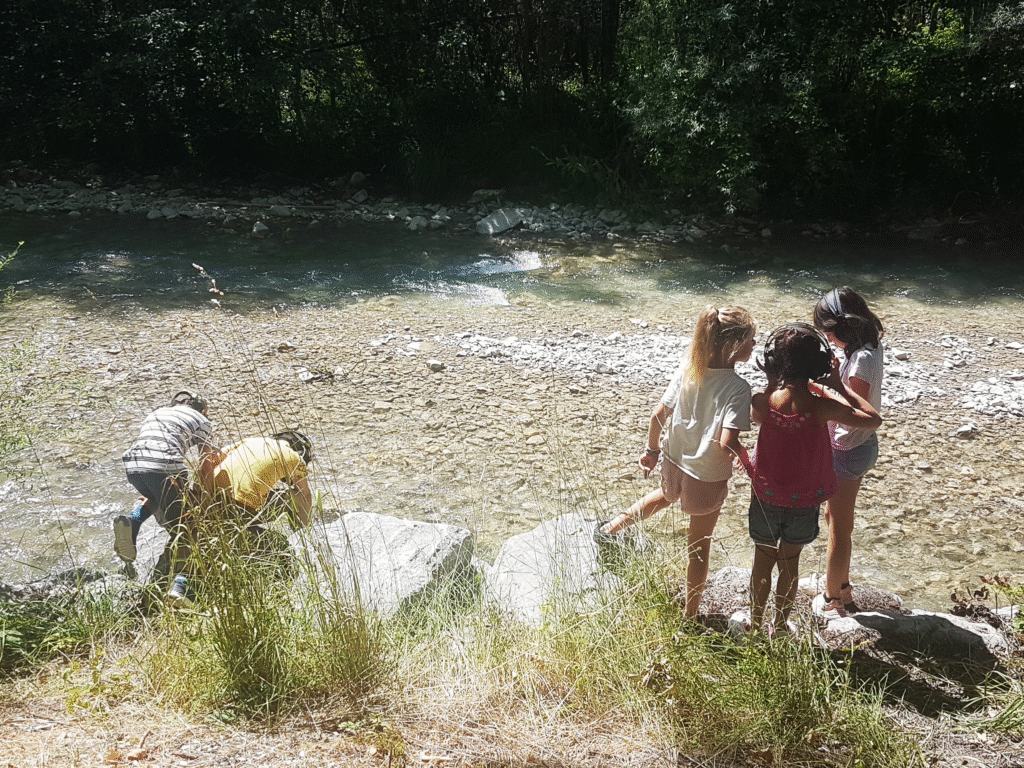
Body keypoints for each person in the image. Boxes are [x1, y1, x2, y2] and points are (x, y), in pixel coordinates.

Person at [598, 305, 757, 617]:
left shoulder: (689, 367)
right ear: (732, 347)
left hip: (672, 461)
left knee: (666, 496)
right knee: (700, 548)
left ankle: (612, 528)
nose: (755, 346)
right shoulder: (738, 388)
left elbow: (658, 415)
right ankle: (690, 615)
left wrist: (651, 452)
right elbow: (728, 442)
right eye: (751, 340)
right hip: (706, 475)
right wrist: (746, 459)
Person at [738, 324, 881, 637]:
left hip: (765, 496)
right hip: (804, 500)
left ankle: (756, 623)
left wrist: (770, 382)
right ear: (817, 365)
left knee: (762, 560)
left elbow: (760, 412)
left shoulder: (763, 402)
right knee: (789, 563)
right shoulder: (821, 406)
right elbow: (873, 419)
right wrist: (839, 387)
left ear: (773, 364)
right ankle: (780, 625)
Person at [812, 287, 884, 617]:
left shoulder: (861, 362)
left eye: (828, 331)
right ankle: (843, 587)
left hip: (849, 449)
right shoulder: (866, 349)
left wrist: (824, 387)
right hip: (854, 447)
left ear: (843, 327)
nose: (827, 338)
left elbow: (855, 409)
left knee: (840, 528)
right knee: (835, 518)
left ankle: (831, 599)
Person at [116, 390, 218, 565]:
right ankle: (180, 582)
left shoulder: (157, 412)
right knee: (186, 528)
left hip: (133, 467)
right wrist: (206, 492)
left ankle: (133, 521)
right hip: (163, 468)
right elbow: (206, 462)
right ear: (203, 411)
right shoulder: (202, 420)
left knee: (159, 497)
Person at [207, 430, 316, 529]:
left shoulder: (250, 441)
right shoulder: (295, 457)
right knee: (295, 498)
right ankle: (302, 535)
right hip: (240, 509)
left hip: (210, 500)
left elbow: (213, 458)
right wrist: (307, 527)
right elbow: (305, 494)